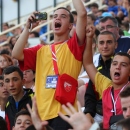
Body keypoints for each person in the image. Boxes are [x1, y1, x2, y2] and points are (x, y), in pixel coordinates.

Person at [12, 0, 87, 129]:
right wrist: (27, 28)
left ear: (70, 26)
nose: (57, 18)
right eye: (55, 16)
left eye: (63, 16)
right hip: (41, 115)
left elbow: (82, 13)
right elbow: (16, 54)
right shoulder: (40, 50)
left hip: (65, 114)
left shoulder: (74, 45)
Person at [83, 25, 130, 129]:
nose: (117, 67)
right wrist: (89, 38)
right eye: (114, 64)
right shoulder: (105, 85)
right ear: (110, 69)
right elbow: (88, 63)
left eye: (123, 65)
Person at [84, 31, 117, 123]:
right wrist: (88, 113)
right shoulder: (97, 69)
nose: (105, 46)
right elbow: (90, 96)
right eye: (101, 43)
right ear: (97, 46)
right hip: (98, 115)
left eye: (109, 42)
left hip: (118, 114)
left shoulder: (123, 66)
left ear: (116, 45)